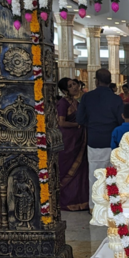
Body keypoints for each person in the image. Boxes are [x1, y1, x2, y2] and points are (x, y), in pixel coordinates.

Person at [76, 68, 124, 209]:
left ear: (96, 81)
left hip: (94, 140)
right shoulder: (116, 99)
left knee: (95, 175)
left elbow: (80, 119)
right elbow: (121, 121)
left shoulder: (87, 97)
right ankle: (112, 206)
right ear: (110, 82)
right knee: (112, 175)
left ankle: (95, 207)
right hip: (112, 142)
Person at [56, 77, 89, 211]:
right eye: (70, 86)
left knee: (80, 171)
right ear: (64, 90)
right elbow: (61, 122)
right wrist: (78, 124)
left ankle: (80, 200)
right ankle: (67, 201)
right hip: (68, 140)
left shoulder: (76, 102)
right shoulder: (63, 103)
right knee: (68, 170)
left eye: (74, 84)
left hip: (78, 139)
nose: (74, 87)